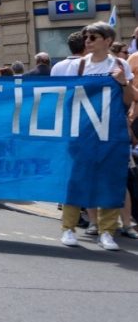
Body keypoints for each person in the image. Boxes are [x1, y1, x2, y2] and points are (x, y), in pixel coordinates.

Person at [58, 21, 134, 251]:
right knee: (76, 178)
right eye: (86, 37)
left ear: (107, 40)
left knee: (110, 180)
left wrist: (122, 83)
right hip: (82, 132)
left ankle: (107, 231)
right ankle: (69, 228)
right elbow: (67, 99)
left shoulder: (120, 64)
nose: (88, 41)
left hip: (111, 132)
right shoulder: (78, 66)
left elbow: (129, 100)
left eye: (93, 37)